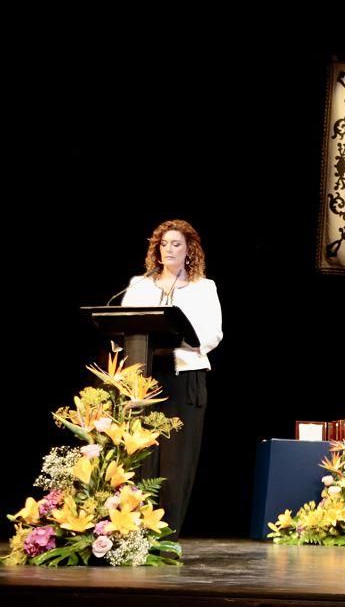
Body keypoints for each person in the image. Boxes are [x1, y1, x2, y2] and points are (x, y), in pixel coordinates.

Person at [121, 219, 223, 538]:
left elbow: (212, 333)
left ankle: (165, 534)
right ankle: (132, 531)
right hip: (145, 381)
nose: (169, 249)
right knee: (142, 454)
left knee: (174, 459)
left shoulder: (203, 288)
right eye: (163, 244)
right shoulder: (140, 285)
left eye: (176, 244)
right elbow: (124, 326)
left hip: (183, 380)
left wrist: (182, 339)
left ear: (189, 250)